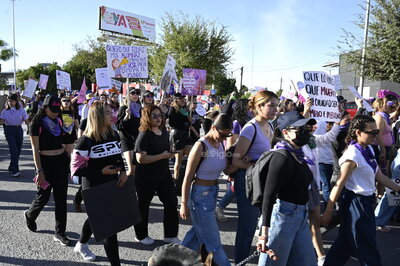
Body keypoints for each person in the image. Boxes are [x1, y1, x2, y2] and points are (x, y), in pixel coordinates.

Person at [321, 115, 400, 266]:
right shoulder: (352, 154)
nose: (376, 136)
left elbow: (380, 176)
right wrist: (328, 212)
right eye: (372, 132)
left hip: (365, 202)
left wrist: (398, 189)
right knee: (366, 246)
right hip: (356, 203)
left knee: (344, 245)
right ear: (358, 132)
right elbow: (339, 184)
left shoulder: (368, 148)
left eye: (377, 132)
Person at [71, 101, 127, 264]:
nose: (113, 115)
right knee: (109, 228)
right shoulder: (85, 141)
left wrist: (123, 170)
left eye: (112, 112)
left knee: (96, 219)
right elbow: (76, 170)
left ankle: (81, 244)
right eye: (108, 113)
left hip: (112, 184)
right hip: (93, 187)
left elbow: (119, 156)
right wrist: (100, 172)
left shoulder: (114, 134)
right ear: (98, 116)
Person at [257, 118, 317, 266]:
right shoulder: (281, 156)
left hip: (301, 216)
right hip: (283, 216)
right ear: (286, 133)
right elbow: (269, 195)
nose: (306, 133)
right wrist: (264, 233)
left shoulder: (299, 154)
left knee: (308, 262)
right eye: (301, 130)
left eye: (307, 129)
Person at [180, 114, 235, 266]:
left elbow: (227, 169)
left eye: (228, 135)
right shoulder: (200, 146)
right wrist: (184, 203)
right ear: (213, 128)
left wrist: (241, 164)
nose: (224, 138)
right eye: (222, 134)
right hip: (200, 195)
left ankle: (174, 260)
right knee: (213, 241)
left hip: (213, 192)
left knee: (197, 235)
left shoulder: (221, 145)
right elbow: (187, 177)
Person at [232, 90, 278, 264]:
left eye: (276, 105)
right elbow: (236, 160)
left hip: (264, 182)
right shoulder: (250, 128)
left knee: (266, 226)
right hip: (248, 182)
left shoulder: (270, 126)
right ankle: (240, 262)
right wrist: (256, 165)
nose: (275, 109)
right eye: (271, 105)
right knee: (247, 228)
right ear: (259, 107)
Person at [24, 95, 71, 246]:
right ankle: (30, 215)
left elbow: (66, 142)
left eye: (58, 109)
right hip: (45, 164)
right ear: (44, 107)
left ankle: (60, 232)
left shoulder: (60, 120)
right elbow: (35, 149)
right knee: (42, 197)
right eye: (52, 109)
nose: (55, 112)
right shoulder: (36, 123)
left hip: (61, 163)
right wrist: (40, 171)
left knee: (61, 200)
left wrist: (70, 163)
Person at [134, 105, 180, 245]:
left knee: (171, 202)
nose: (158, 118)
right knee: (143, 206)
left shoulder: (164, 132)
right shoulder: (144, 134)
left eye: (160, 115)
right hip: (146, 176)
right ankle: (141, 236)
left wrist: (170, 153)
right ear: (147, 117)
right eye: (154, 115)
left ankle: (170, 235)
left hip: (163, 174)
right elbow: (140, 159)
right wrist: (162, 156)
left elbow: (165, 151)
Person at [0, 93, 29, 177]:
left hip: (19, 130)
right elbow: (1, 122)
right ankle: (15, 170)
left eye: (12, 101)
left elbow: (27, 122)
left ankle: (11, 166)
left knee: (18, 150)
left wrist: (32, 121)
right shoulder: (5, 111)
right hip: (9, 130)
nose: (10, 103)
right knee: (14, 150)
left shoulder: (21, 110)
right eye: (9, 101)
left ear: (16, 102)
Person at [116, 87, 141, 177]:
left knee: (135, 169)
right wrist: (126, 116)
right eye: (133, 93)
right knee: (130, 170)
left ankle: (133, 189)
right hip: (127, 140)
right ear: (128, 95)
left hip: (136, 139)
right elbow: (118, 126)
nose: (135, 95)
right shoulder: (124, 108)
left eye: (137, 93)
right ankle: (123, 188)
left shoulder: (139, 108)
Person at [168, 93, 194, 180]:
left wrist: (190, 120)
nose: (183, 100)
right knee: (178, 161)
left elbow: (187, 122)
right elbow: (171, 123)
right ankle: (176, 180)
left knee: (194, 155)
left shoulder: (185, 109)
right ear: (176, 100)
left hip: (186, 135)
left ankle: (190, 176)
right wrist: (185, 122)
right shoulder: (173, 109)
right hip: (177, 135)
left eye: (184, 98)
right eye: (180, 98)